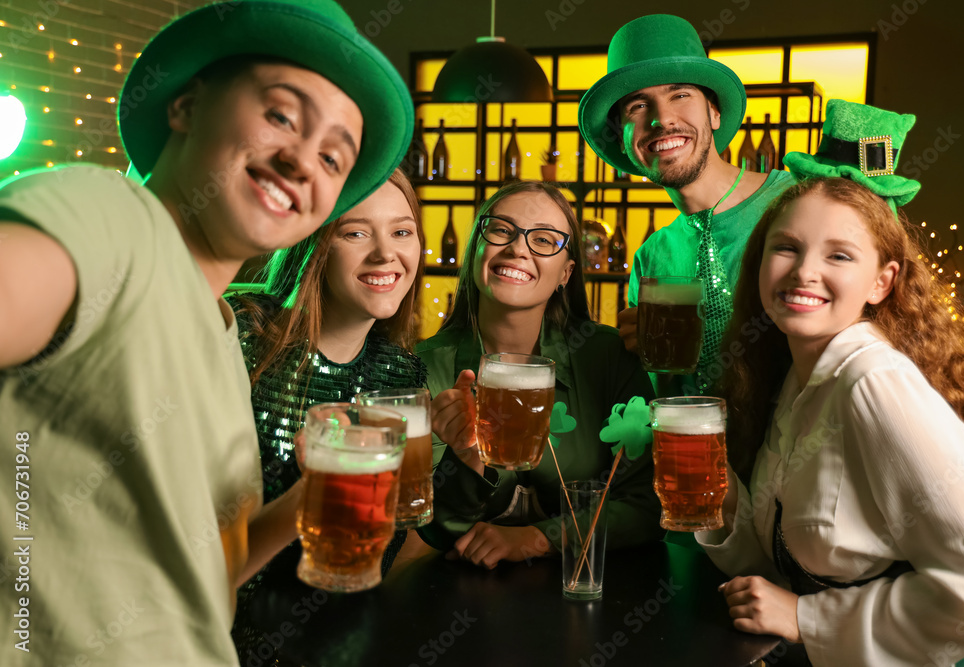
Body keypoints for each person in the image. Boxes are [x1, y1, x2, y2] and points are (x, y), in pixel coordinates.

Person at [0, 1, 412, 664]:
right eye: (281, 115)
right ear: (186, 108)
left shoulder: (221, 329)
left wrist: (312, 496)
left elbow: (200, 576)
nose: (305, 160)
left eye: (335, 159)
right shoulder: (113, 221)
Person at [698, 173, 964, 666]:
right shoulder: (795, 375)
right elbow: (781, 565)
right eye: (787, 248)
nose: (804, 272)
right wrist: (715, 494)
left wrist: (804, 618)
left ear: (882, 283)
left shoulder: (873, 381)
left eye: (838, 255)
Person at [228, 169, 427, 662]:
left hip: (338, 642)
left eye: (402, 231)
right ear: (313, 242)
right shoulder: (241, 334)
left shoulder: (400, 374)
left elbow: (387, 546)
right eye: (355, 232)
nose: (387, 254)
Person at [416, 181, 663, 568]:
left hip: (598, 596)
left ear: (566, 273)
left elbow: (649, 507)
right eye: (501, 230)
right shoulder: (422, 369)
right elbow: (428, 528)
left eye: (545, 240)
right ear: (476, 248)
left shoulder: (609, 356)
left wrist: (538, 538)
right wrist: (465, 460)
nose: (518, 249)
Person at [578, 14, 795, 395]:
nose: (662, 120)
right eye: (637, 106)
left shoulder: (798, 200)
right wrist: (633, 355)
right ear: (624, 139)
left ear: (714, 112)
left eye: (679, 95)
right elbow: (661, 397)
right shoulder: (651, 258)